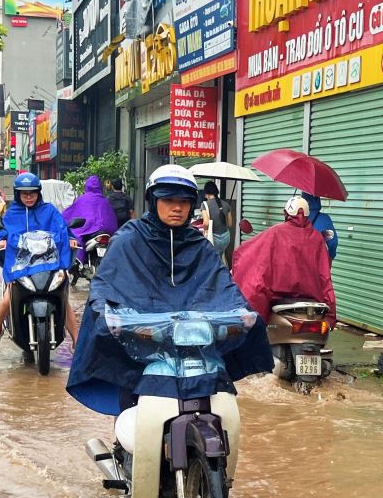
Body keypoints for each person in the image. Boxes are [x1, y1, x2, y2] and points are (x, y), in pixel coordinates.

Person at [66, 165, 272, 415]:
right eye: (169, 200)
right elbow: (105, 285)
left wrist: (242, 311)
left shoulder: (200, 245)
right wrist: (105, 312)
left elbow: (222, 286)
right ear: (154, 200)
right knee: (129, 407)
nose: (177, 207)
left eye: (184, 201)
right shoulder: (128, 239)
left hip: (194, 347)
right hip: (143, 341)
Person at [0, 172, 79, 350]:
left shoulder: (49, 210)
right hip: (21, 265)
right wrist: (1, 240)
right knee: (7, 299)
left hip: (50, 263)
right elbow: (3, 232)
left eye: (32, 193)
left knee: (63, 298)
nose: (28, 197)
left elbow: (62, 227)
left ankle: (77, 341)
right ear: (17, 194)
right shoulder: (11, 213)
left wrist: (70, 237)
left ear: (38, 193)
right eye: (24, 193)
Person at [232, 195, 337, 323]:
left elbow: (252, 256)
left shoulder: (276, 232)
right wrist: (330, 313)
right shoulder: (317, 237)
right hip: (311, 301)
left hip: (279, 297)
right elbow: (325, 277)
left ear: (285, 213)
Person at [61, 174, 118, 267]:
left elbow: (70, 212)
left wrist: (61, 218)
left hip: (88, 231)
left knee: (75, 237)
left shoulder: (82, 199)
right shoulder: (105, 201)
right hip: (105, 231)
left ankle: (78, 263)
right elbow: (112, 218)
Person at [197, 180, 231, 255]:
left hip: (214, 238)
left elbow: (206, 223)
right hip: (226, 238)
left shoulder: (205, 204)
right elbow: (230, 224)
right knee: (219, 257)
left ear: (206, 193)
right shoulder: (226, 204)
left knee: (212, 259)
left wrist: (205, 231)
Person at [304, 193, 338, 261]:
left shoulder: (295, 218)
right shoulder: (324, 219)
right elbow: (332, 243)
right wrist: (330, 257)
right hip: (316, 262)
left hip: (297, 263)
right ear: (317, 199)